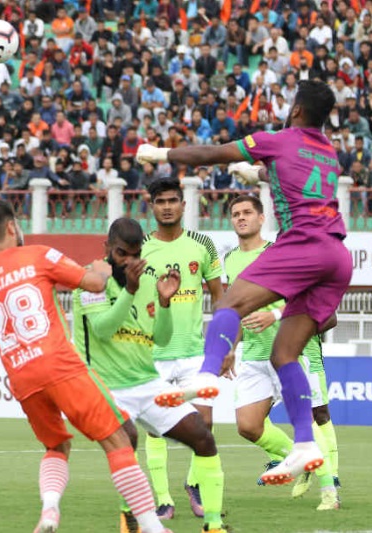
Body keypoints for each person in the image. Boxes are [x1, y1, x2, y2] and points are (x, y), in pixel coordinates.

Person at [136, 79, 351, 484]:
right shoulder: (328, 152)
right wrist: (258, 174)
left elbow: (211, 154)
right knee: (285, 354)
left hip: (303, 243)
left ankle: (205, 376)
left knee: (229, 305)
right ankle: (305, 445)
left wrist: (161, 153)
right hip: (337, 256)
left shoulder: (280, 139)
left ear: (297, 110)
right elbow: (297, 178)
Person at [0, 200, 171, 533]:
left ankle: (50, 510)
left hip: (22, 377)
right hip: (60, 365)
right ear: (11, 227)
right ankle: (153, 528)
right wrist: (103, 269)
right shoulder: (37, 255)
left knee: (56, 446)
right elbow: (94, 284)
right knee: (118, 441)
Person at [72, 217, 226, 533]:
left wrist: (165, 303)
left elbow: (163, 338)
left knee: (203, 436)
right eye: (121, 253)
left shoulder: (148, 280)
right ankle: (131, 520)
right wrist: (129, 290)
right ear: (107, 248)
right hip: (105, 385)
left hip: (147, 382)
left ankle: (213, 525)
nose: (129, 261)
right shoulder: (91, 278)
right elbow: (102, 329)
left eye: (135, 254)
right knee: (127, 438)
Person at [224, 195, 340, 511]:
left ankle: (329, 492)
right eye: (236, 214)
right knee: (248, 426)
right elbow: (234, 308)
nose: (241, 218)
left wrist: (274, 315)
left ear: (262, 218)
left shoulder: (279, 254)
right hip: (253, 356)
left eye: (247, 212)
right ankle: (299, 459)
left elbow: (307, 302)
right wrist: (230, 347)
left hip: (285, 351)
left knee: (307, 420)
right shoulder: (230, 260)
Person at [140, 178, 224, 519]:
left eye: (172, 200)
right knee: (155, 428)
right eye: (160, 201)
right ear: (152, 206)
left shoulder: (202, 244)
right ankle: (163, 499)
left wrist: (225, 345)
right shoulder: (141, 248)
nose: (167, 207)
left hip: (194, 353)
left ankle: (194, 483)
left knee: (204, 423)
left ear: (183, 205)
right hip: (153, 354)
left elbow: (220, 298)